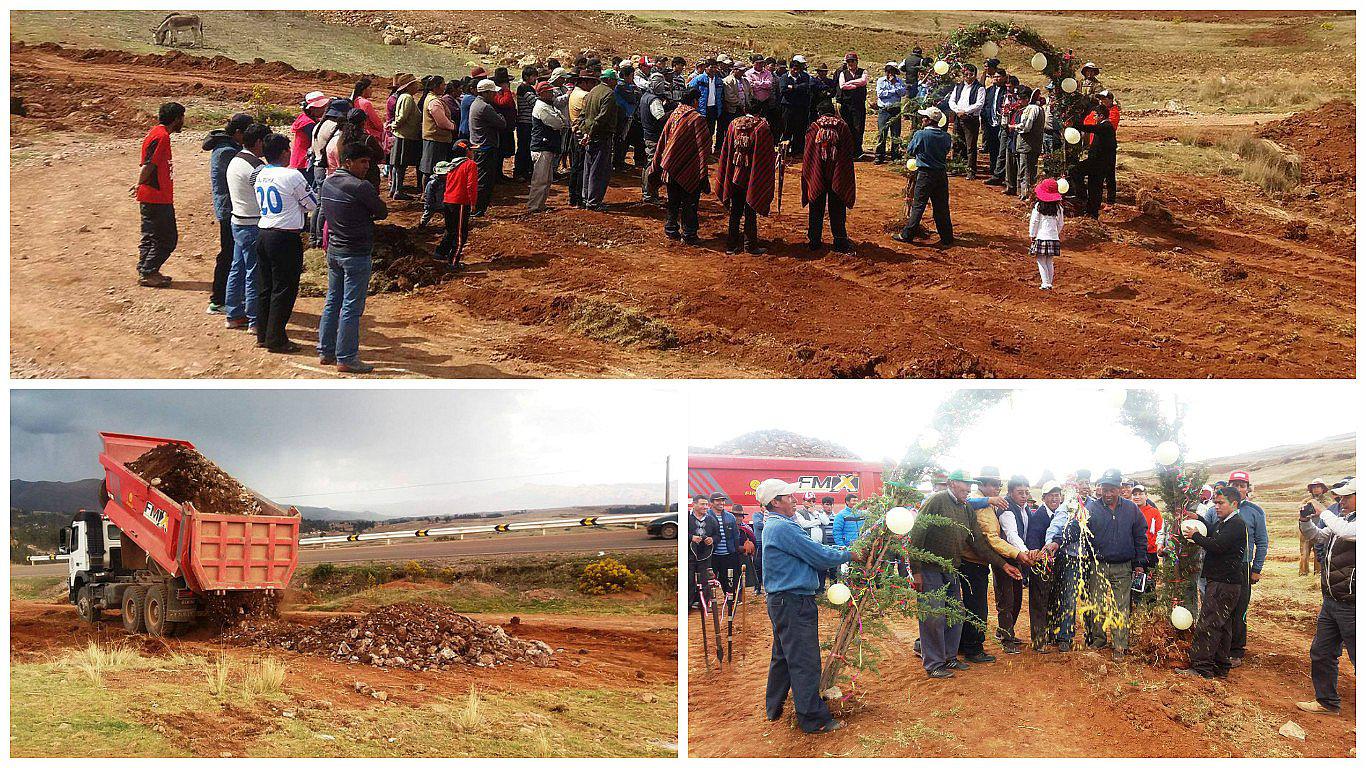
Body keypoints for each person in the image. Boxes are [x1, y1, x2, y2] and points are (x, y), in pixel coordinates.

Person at [756, 478, 850, 734]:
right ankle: (813, 719)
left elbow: (814, 550)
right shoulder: (782, 528)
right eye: (788, 496)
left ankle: (773, 707)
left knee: (783, 656)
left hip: (784, 601)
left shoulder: (780, 525)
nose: (795, 500)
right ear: (775, 502)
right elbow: (818, 555)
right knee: (804, 660)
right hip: (793, 602)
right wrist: (849, 553)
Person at [909, 469, 1023, 678]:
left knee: (956, 613)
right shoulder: (937, 500)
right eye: (964, 484)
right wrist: (915, 570)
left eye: (970, 485)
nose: (968, 489)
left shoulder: (966, 508)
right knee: (933, 616)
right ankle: (934, 663)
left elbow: (978, 542)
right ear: (952, 483)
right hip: (929, 568)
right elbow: (917, 534)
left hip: (951, 569)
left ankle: (950, 657)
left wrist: (1003, 564)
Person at [317, 141, 388, 374]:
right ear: (347, 162)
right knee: (351, 307)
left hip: (335, 250)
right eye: (363, 162)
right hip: (356, 253)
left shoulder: (328, 183)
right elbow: (382, 211)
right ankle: (346, 357)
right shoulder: (361, 187)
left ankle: (326, 350)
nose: (366, 166)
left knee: (333, 301)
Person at [252, 133, 317, 354]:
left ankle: (263, 334)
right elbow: (311, 204)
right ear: (282, 152)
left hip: (264, 232)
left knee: (266, 286)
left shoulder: (260, 174)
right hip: (284, 237)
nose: (290, 152)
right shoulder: (292, 175)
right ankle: (276, 338)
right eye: (287, 149)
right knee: (284, 289)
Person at [1295, 478, 1355, 715]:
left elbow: (1346, 533)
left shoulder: (1352, 524)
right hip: (1332, 600)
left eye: (1347, 497)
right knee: (1322, 652)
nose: (1341, 502)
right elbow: (1318, 536)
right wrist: (1305, 520)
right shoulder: (1345, 520)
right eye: (1339, 497)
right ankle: (1327, 702)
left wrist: (1322, 511)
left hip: (1353, 604)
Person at [1177, 486, 1248, 679]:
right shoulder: (1225, 522)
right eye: (1215, 503)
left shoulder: (1236, 524)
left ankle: (1201, 668)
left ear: (1234, 504)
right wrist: (1199, 520)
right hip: (1225, 582)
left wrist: (1196, 536)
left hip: (1222, 584)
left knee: (1208, 624)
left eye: (1220, 503)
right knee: (1222, 625)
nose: (1216, 507)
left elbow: (1218, 545)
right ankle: (1220, 666)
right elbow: (1214, 532)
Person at [1081, 468, 1148, 661]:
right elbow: (1083, 536)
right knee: (1098, 604)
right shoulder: (1091, 509)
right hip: (1098, 565)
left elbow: (1140, 536)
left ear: (1119, 488)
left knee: (1121, 606)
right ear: (1100, 489)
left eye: (1112, 489)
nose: (1108, 494)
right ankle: (1099, 639)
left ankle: (1120, 645)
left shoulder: (1131, 509)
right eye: (1105, 489)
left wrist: (1139, 563)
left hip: (1123, 566)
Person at [1215, 470, 1269, 668]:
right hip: (1221, 567)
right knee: (1219, 608)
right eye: (1234, 485)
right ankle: (1219, 647)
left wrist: (1256, 568)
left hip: (1243, 566)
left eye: (1242, 485)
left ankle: (1236, 650)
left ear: (1247, 488)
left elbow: (1262, 542)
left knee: (1239, 609)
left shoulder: (1255, 511)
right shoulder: (1217, 508)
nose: (1238, 489)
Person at [223, 123, 271, 332]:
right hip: (253, 223)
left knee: (238, 267)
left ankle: (233, 313)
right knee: (254, 273)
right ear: (259, 142)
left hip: (238, 220)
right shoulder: (256, 167)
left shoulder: (235, 160)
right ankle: (254, 320)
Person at [203, 112, 252, 313]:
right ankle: (219, 299)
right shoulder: (226, 152)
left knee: (232, 254)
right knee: (229, 254)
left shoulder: (228, 147)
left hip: (230, 208)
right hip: (229, 210)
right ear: (238, 132)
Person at [649, 87, 710, 245]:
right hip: (689, 170)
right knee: (690, 202)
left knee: (673, 200)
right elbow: (703, 147)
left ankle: (671, 229)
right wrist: (703, 172)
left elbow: (663, 140)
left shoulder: (674, 114)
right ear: (695, 100)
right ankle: (689, 234)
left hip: (670, 167)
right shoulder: (697, 118)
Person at [134, 102, 185, 287]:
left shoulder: (158, 133)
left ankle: (146, 269)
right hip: (156, 196)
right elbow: (149, 163)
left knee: (151, 236)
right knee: (167, 239)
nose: (183, 122)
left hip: (154, 195)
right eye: (182, 118)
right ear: (176, 119)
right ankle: (148, 272)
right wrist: (139, 183)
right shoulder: (161, 136)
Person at [716, 100, 776, 255]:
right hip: (752, 176)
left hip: (734, 174)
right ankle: (750, 245)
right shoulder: (762, 128)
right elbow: (765, 156)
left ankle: (731, 245)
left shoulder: (733, 124)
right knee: (750, 210)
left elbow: (726, 150)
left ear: (744, 109)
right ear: (760, 111)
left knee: (735, 210)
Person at [801, 100, 857, 254]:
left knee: (816, 206)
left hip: (817, 173)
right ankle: (840, 241)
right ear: (833, 111)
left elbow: (809, 155)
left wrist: (812, 174)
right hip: (838, 174)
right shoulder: (843, 127)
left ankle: (814, 241)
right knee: (838, 208)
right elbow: (848, 152)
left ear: (819, 112)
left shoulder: (814, 127)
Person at [893, 107, 953, 246]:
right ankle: (947, 237)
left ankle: (907, 234)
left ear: (929, 120)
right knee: (941, 207)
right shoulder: (946, 136)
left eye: (924, 117)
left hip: (925, 174)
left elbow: (911, 150)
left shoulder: (921, 135)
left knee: (918, 205)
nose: (922, 119)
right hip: (941, 175)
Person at [579, 69, 620, 212]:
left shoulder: (593, 91)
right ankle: (594, 201)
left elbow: (583, 114)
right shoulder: (609, 95)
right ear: (609, 80)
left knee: (588, 167)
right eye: (614, 80)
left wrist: (585, 132)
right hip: (601, 135)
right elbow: (602, 118)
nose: (616, 83)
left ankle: (586, 197)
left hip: (590, 134)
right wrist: (590, 133)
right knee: (599, 169)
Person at [436, 142, 479, 268]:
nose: (473, 152)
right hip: (460, 202)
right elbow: (471, 185)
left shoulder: (451, 165)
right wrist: (473, 203)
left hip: (448, 200)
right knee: (461, 234)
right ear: (466, 152)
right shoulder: (470, 165)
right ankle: (453, 262)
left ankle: (440, 252)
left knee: (450, 230)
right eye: (471, 150)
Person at [469, 79, 507, 218]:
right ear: (487, 93)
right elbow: (502, 123)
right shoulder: (485, 107)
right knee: (484, 180)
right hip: (486, 147)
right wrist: (501, 116)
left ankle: (476, 207)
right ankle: (478, 209)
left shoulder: (476, 104)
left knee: (480, 178)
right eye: (493, 93)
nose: (495, 95)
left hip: (479, 146)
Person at [527, 82, 565, 213]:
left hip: (546, 146)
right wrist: (559, 121)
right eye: (549, 91)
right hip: (542, 147)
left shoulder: (548, 105)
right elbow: (559, 123)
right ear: (541, 93)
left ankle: (540, 205)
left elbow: (562, 121)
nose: (552, 93)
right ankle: (535, 206)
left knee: (546, 179)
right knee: (540, 179)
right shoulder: (543, 107)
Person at [1075, 102, 1116, 219]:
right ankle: (1090, 211)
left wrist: (1075, 125)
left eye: (1095, 116)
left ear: (1101, 116)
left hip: (1099, 164)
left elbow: (1093, 128)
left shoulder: (1106, 126)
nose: (1094, 118)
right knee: (1094, 187)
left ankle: (1085, 202)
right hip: (1097, 163)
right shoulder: (1105, 127)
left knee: (1077, 172)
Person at [947, 64, 985, 179]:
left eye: (970, 74)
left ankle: (971, 170)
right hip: (959, 118)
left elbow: (979, 104)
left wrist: (965, 111)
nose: (968, 77)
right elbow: (952, 101)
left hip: (971, 119)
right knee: (958, 143)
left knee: (970, 146)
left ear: (975, 75)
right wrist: (957, 111)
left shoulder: (979, 88)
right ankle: (957, 167)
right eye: (966, 74)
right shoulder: (958, 86)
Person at [388, 75, 422, 199]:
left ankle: (394, 189)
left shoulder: (403, 97)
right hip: (405, 135)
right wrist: (394, 125)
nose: (417, 87)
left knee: (398, 165)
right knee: (401, 165)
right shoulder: (407, 98)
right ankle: (398, 191)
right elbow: (403, 117)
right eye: (415, 84)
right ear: (409, 86)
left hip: (402, 135)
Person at [418, 75, 454, 192]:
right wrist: (453, 126)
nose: (444, 87)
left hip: (433, 138)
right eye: (443, 84)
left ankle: (428, 194)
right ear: (436, 86)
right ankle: (429, 194)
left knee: (429, 168)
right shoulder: (434, 102)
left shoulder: (430, 99)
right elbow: (442, 122)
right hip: (436, 139)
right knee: (431, 169)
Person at [1028, 178, 1064, 290]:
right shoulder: (1059, 208)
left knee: (1040, 260)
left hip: (1041, 237)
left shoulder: (1038, 206)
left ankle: (1045, 283)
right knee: (1049, 260)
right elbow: (1061, 223)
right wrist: (1056, 234)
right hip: (1054, 238)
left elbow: (1034, 221)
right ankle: (1049, 283)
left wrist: (1032, 235)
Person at [1133, 483, 1164, 605]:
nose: (1137, 497)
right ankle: (1137, 611)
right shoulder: (1130, 511)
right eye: (1135, 494)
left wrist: (1154, 545)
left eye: (1140, 494)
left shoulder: (1154, 512)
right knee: (1135, 585)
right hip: (1134, 555)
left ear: (1146, 496)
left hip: (1150, 554)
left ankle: (1150, 612)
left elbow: (1159, 531)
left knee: (1150, 585)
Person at [708, 492, 743, 599]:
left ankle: (730, 599)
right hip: (712, 555)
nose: (721, 503)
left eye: (722, 500)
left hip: (728, 554)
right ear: (711, 503)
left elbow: (736, 536)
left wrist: (736, 551)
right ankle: (709, 601)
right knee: (710, 579)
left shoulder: (730, 517)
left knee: (729, 578)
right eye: (718, 500)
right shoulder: (706, 516)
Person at [834, 53, 868, 160]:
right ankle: (848, 151)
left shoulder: (863, 72)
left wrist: (851, 83)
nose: (850, 64)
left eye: (852, 61)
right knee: (847, 127)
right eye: (848, 61)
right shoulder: (842, 73)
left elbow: (863, 81)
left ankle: (858, 151)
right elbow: (842, 86)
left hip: (859, 105)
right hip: (846, 105)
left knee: (859, 128)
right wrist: (856, 84)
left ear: (856, 62)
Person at [1014, 87, 1045, 201]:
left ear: (1027, 98)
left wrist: (1014, 127)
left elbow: (1026, 127)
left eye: (1020, 99)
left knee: (1025, 171)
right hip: (1033, 145)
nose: (1019, 102)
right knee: (1030, 171)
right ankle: (1028, 193)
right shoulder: (1039, 108)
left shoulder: (1031, 109)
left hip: (1027, 145)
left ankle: (1027, 195)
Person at [688, 496, 719, 610]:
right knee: (689, 580)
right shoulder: (686, 517)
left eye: (706, 504)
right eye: (702, 504)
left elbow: (717, 536)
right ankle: (688, 605)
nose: (705, 507)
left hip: (705, 554)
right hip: (689, 554)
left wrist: (712, 539)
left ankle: (705, 604)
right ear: (694, 504)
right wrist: (691, 537)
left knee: (705, 580)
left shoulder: (711, 519)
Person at [873, 62, 906, 164]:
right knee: (882, 133)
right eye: (888, 71)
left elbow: (902, 93)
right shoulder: (881, 81)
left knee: (895, 134)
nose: (889, 74)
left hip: (895, 110)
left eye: (892, 71)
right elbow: (881, 94)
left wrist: (894, 84)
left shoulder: (899, 81)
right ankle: (879, 155)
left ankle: (895, 155)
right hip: (884, 110)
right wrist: (894, 91)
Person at [779, 56, 812, 155]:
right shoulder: (784, 77)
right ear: (790, 68)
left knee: (799, 129)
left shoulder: (804, 77)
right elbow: (783, 90)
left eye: (797, 69)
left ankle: (797, 150)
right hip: (788, 107)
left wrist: (793, 88)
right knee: (787, 129)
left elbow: (806, 87)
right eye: (794, 69)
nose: (796, 71)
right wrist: (797, 88)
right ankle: (785, 151)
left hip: (800, 107)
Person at [290, 91, 327, 172]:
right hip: (304, 163)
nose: (325, 109)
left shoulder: (306, 118)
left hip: (302, 161)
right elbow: (317, 142)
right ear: (312, 109)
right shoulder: (307, 123)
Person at [1303, 478, 1333, 575]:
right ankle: (1303, 573)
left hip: (1321, 529)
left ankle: (1318, 573)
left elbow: (1330, 513)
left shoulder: (1328, 501)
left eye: (1318, 487)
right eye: (1314, 487)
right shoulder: (1306, 501)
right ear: (1310, 489)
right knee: (1304, 552)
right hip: (1306, 531)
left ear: (1323, 489)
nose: (1316, 489)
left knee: (1319, 551)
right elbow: (1301, 513)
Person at [514, 66, 539, 181]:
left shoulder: (526, 88)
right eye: (533, 76)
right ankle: (519, 172)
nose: (535, 78)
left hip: (526, 122)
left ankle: (525, 171)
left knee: (526, 147)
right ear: (526, 77)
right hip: (525, 123)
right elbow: (535, 102)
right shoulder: (524, 89)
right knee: (523, 148)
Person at [350, 77, 385, 143]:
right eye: (370, 87)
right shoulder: (366, 103)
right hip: (369, 135)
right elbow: (378, 124)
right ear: (364, 89)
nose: (372, 90)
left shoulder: (355, 100)